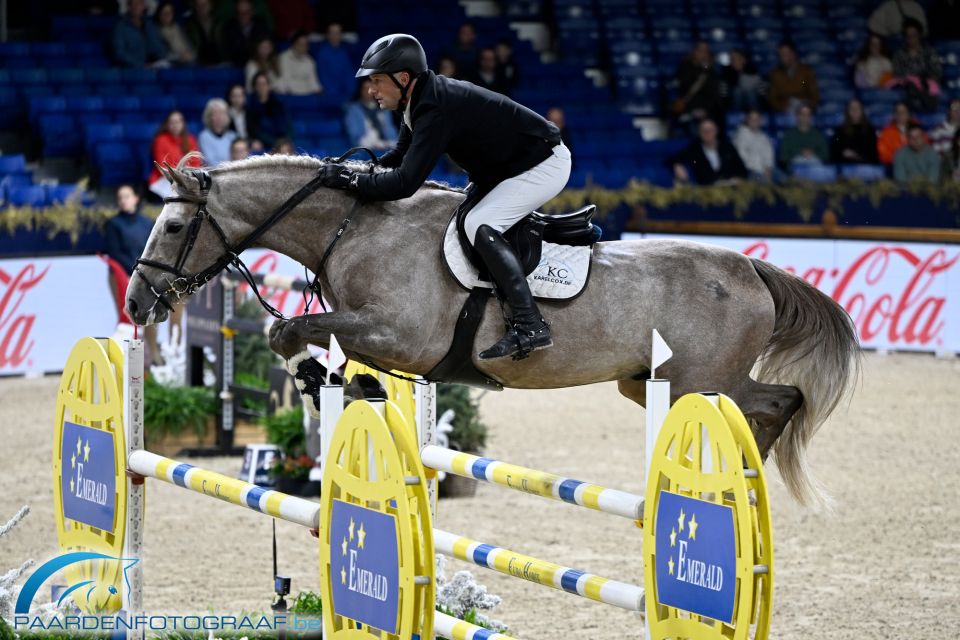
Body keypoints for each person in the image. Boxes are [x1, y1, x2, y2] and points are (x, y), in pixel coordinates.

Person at [318, 34, 570, 361]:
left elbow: (404, 184)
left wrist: (350, 180)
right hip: (507, 169)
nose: (370, 90)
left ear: (403, 78)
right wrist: (355, 170)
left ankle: (530, 324)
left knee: (479, 225)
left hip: (542, 164)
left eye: (377, 80)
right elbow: (399, 156)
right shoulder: (419, 100)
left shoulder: (434, 107)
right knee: (457, 222)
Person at [104, 184, 166, 366]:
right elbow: (115, 253)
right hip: (121, 275)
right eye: (120, 198)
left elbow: (153, 249)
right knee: (128, 317)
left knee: (151, 316)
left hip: (144, 276)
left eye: (127, 196)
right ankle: (129, 361)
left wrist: (146, 272)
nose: (123, 201)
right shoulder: (113, 224)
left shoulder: (147, 223)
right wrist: (136, 270)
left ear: (135, 198)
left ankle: (153, 356)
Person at [668, 118, 747, 185]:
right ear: (699, 133)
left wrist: (736, 179)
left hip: (730, 187)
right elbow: (673, 159)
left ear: (716, 131)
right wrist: (677, 165)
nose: (707, 134)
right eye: (704, 131)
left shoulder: (727, 147)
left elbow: (742, 170)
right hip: (707, 190)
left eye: (710, 130)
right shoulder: (695, 149)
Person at [891, 19, 943, 112]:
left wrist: (925, 80)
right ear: (905, 37)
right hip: (908, 86)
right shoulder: (899, 54)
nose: (911, 38)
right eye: (908, 36)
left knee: (928, 89)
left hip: (926, 84)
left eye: (914, 35)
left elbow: (937, 71)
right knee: (911, 87)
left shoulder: (929, 52)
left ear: (919, 35)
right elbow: (897, 73)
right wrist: (911, 79)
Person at [148, 110, 200, 199]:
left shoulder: (190, 140)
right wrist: (181, 177)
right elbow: (162, 166)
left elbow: (196, 164)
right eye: (172, 122)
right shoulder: (160, 140)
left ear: (183, 123)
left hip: (186, 178)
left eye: (178, 122)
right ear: (167, 124)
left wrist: (187, 177)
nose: (175, 125)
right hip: (164, 179)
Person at [671, 40, 722, 127]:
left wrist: (705, 68)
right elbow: (685, 85)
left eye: (705, 51)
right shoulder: (685, 65)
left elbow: (713, 91)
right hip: (689, 105)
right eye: (700, 50)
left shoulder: (710, 70)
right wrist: (700, 68)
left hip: (707, 107)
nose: (703, 54)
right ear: (694, 51)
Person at [344, 78, 399, 149]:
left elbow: (392, 133)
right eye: (365, 89)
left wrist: (390, 143)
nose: (368, 92)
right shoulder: (352, 110)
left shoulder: (384, 108)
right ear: (360, 90)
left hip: (387, 146)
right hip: (366, 148)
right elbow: (355, 138)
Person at [111, 0, 168, 68]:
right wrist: (141, 65)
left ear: (143, 6)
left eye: (139, 4)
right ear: (129, 7)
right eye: (133, 4)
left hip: (154, 65)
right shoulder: (120, 27)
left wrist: (161, 57)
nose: (136, 7)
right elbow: (119, 54)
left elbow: (158, 45)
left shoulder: (149, 25)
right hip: (132, 68)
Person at [767, 40, 819, 113]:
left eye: (785, 54)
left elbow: (814, 95)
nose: (783, 57)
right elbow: (773, 99)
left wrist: (806, 106)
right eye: (780, 54)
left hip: (804, 109)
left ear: (793, 53)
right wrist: (783, 107)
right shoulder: (775, 74)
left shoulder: (806, 72)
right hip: (785, 111)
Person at [247, 72, 293, 150]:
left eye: (264, 84)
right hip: (264, 144)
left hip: (281, 142)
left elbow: (288, 124)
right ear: (254, 87)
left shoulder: (279, 104)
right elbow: (254, 130)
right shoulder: (250, 106)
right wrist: (274, 142)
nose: (262, 87)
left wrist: (285, 140)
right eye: (259, 84)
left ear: (269, 86)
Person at [220, 0, 270, 67]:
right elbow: (228, 53)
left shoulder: (261, 24)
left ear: (252, 12)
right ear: (236, 14)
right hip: (237, 67)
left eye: (246, 12)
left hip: (260, 64)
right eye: (240, 13)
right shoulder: (228, 28)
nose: (243, 16)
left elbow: (268, 46)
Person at [778, 104, 829, 171]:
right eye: (802, 114)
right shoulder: (788, 135)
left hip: (814, 165)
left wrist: (813, 153)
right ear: (797, 116)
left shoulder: (818, 134)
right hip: (795, 166)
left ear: (811, 117)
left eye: (808, 114)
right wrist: (800, 152)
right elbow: (783, 157)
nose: (805, 117)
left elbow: (825, 155)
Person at [316, 23, 355, 105]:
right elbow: (322, 77)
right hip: (328, 98)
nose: (335, 36)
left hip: (345, 98)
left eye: (337, 33)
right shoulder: (322, 54)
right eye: (332, 33)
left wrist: (349, 94)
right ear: (328, 35)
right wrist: (333, 96)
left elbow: (349, 76)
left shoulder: (344, 54)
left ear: (341, 36)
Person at [831, 99, 879, 164]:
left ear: (862, 111)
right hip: (845, 166)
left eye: (857, 108)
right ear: (847, 111)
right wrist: (843, 153)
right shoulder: (840, 131)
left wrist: (856, 156)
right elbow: (834, 153)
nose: (855, 111)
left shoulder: (870, 131)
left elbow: (873, 155)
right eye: (852, 108)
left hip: (865, 166)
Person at [732, 110, 775, 181]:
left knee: (786, 180)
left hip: (767, 169)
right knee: (765, 182)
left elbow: (769, 154)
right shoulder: (740, 136)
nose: (754, 122)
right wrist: (762, 169)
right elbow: (742, 159)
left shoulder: (763, 136)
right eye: (752, 119)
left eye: (757, 119)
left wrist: (768, 167)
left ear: (761, 121)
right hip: (750, 171)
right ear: (747, 120)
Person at [277, 30, 323, 95]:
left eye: (305, 45)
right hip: (290, 93)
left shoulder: (310, 61)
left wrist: (318, 89)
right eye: (301, 44)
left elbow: (313, 81)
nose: (303, 47)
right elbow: (286, 80)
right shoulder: (283, 58)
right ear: (294, 45)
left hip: (306, 93)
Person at [720, 48, 762, 113]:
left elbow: (760, 92)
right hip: (733, 106)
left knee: (749, 92)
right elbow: (723, 95)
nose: (734, 61)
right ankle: (737, 115)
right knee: (737, 92)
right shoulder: (726, 74)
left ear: (743, 59)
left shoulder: (753, 72)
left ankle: (753, 114)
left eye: (737, 58)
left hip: (753, 104)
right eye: (732, 59)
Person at [198, 98, 237, 166]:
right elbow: (209, 161)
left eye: (222, 113)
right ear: (209, 117)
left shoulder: (233, 136)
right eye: (215, 113)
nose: (219, 117)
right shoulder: (204, 136)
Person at [183, 0, 221, 65]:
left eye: (205, 5)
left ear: (211, 6)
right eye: (198, 5)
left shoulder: (219, 24)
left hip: (219, 63)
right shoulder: (190, 25)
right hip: (198, 63)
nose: (201, 8)